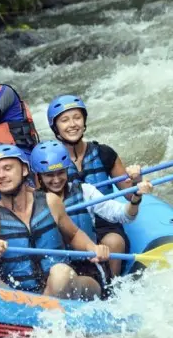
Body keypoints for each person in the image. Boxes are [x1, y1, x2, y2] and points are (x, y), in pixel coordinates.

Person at [0, 145, 110, 300]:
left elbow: (73, 235)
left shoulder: (50, 201)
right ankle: (39, 308)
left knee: (61, 274)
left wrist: (92, 247)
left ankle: (43, 307)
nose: (1, 175)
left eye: (7, 168)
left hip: (64, 287)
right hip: (21, 297)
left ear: (25, 170)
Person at [30, 140, 153, 286]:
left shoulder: (85, 191)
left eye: (61, 172)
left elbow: (123, 214)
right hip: (51, 271)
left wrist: (136, 197)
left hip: (87, 268)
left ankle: (108, 289)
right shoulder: (31, 203)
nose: (56, 180)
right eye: (49, 175)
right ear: (39, 177)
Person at [46, 94, 144, 276]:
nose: (72, 124)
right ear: (56, 127)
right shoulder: (49, 161)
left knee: (114, 242)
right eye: (64, 120)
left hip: (106, 223)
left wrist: (136, 180)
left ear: (84, 122)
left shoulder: (104, 153)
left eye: (77, 118)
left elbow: (130, 194)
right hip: (72, 225)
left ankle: (111, 287)